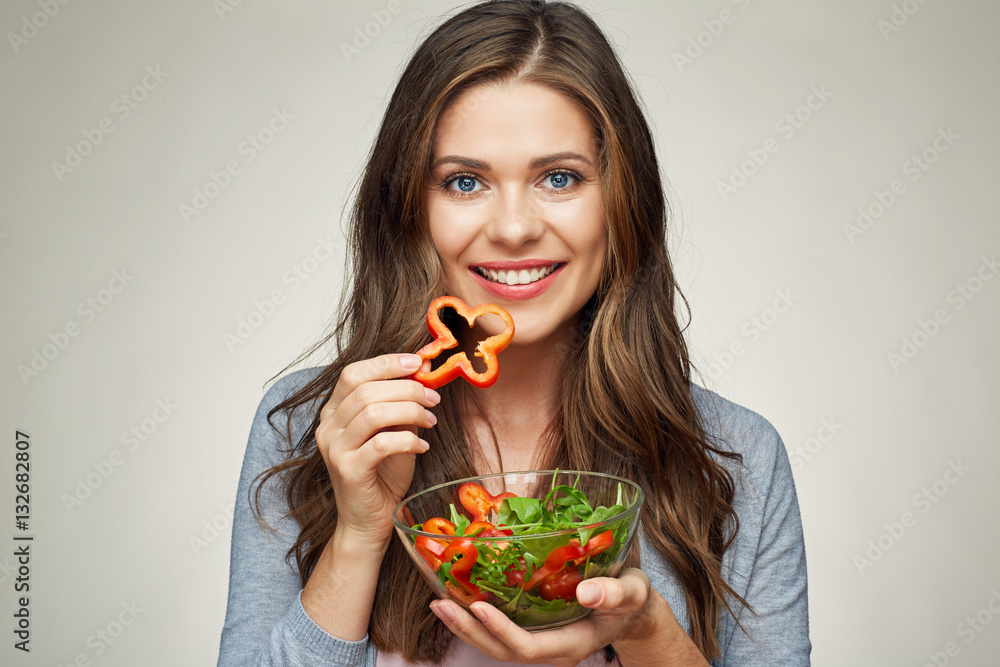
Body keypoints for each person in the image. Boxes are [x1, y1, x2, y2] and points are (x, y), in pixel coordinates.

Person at [217, 1, 811, 665]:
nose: (514, 227)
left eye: (559, 177)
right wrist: (361, 528)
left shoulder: (737, 456)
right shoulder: (307, 427)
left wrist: (645, 631)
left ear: (621, 200)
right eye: (465, 181)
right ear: (412, 207)